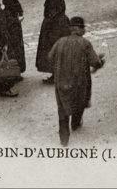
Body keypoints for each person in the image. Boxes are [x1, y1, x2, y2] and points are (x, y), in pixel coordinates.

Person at [49, 16, 105, 146]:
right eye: (83, 28)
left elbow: (50, 57)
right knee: (80, 101)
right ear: (79, 29)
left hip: (61, 81)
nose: (84, 31)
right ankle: (75, 123)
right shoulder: (84, 43)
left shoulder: (60, 41)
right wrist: (100, 61)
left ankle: (64, 139)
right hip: (79, 81)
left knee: (62, 108)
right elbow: (95, 62)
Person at [36, 0, 70, 84]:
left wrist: (49, 24)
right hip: (58, 26)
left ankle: (56, 76)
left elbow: (52, 14)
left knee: (52, 49)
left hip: (55, 28)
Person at [2, 0, 26, 76]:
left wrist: (20, 14)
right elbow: (6, 17)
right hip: (11, 29)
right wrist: (17, 20)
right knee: (13, 49)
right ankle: (14, 72)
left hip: (16, 27)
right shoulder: (5, 1)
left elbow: (19, 9)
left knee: (18, 48)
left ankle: (18, 70)